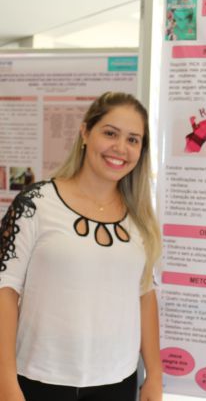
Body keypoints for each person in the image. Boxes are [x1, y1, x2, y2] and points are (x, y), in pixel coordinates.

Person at [0, 92, 163, 401]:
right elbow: (4, 291)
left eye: (133, 140)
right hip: (38, 380)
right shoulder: (35, 203)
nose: (120, 148)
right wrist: (4, 381)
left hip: (118, 382)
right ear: (85, 132)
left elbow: (145, 295)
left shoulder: (140, 218)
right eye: (110, 133)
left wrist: (155, 375)